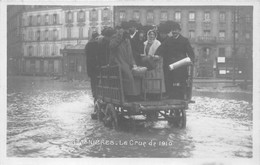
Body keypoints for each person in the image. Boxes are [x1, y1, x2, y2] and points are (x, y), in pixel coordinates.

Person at [156, 21, 195, 100]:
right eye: (173, 30)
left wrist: (191, 60)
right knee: (168, 78)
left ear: (179, 31)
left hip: (181, 65)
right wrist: (157, 55)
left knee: (182, 79)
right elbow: (160, 49)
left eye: (176, 30)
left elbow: (190, 53)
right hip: (170, 64)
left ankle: (183, 94)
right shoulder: (168, 40)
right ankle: (169, 94)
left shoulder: (184, 40)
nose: (174, 32)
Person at [109, 21, 141, 101]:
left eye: (127, 30)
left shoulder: (127, 39)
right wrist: (119, 37)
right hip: (117, 61)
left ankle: (136, 94)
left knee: (136, 74)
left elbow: (130, 54)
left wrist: (133, 64)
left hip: (126, 62)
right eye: (125, 30)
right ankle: (131, 95)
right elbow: (112, 46)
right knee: (128, 75)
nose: (126, 32)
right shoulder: (115, 37)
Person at [142, 29, 166, 98]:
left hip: (156, 63)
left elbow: (160, 53)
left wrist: (153, 57)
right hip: (147, 62)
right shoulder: (145, 43)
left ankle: (157, 94)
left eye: (153, 35)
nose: (151, 36)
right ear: (148, 35)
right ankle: (148, 93)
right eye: (150, 34)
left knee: (155, 78)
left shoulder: (158, 43)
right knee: (148, 78)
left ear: (155, 36)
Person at [85, 31, 99, 99]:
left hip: (91, 68)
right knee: (98, 83)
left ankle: (95, 97)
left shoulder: (88, 45)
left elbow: (87, 56)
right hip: (97, 67)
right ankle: (97, 96)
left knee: (93, 85)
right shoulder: (97, 44)